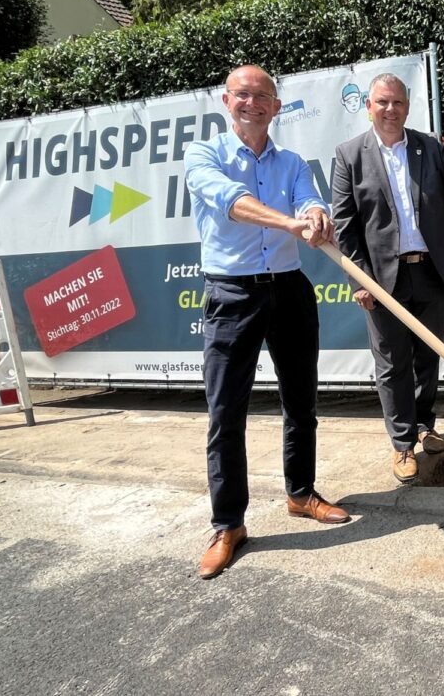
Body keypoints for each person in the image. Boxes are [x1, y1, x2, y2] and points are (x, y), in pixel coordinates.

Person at [185, 64, 351, 581]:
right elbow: (232, 203)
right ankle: (228, 524)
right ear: (225, 99)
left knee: (301, 401)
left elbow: (310, 199)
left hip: (289, 289)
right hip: (232, 293)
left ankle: (301, 494)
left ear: (277, 107)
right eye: (243, 94)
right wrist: (290, 222)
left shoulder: (294, 162)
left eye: (263, 97)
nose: (253, 103)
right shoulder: (203, 154)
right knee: (226, 413)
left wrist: (316, 214)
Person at [330, 73, 444, 484]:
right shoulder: (349, 155)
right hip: (383, 279)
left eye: (397, 103)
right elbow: (345, 228)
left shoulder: (430, 147)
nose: (390, 110)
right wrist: (359, 280)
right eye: (382, 102)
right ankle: (402, 443)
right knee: (391, 362)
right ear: (369, 106)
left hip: (431, 271)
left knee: (427, 357)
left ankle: (423, 426)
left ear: (407, 106)